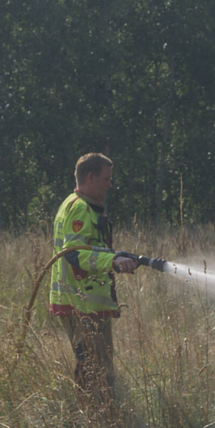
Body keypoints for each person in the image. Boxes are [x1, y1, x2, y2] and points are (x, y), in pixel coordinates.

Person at [50, 153, 139, 407]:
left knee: (99, 366)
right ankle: (94, 423)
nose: (110, 185)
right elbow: (75, 254)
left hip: (88, 302)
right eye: (106, 179)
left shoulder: (81, 205)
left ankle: (105, 419)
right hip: (81, 304)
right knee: (92, 369)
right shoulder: (79, 207)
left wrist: (117, 256)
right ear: (91, 177)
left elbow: (92, 249)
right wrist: (112, 262)